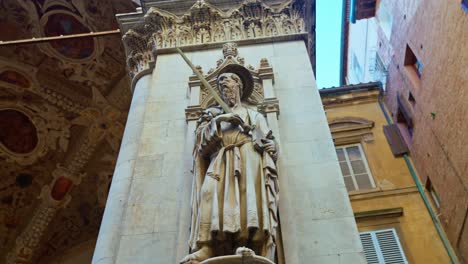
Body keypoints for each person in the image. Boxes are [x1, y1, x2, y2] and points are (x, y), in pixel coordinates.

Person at [181, 68, 279, 263]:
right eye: (220, 84)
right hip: (220, 159)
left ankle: (246, 244)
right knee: (209, 194)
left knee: (246, 199)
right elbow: (200, 145)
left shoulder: (253, 115)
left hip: (248, 157)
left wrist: (271, 147)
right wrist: (221, 119)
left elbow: (267, 140)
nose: (224, 85)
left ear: (239, 86)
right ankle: (207, 246)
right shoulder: (212, 115)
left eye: (228, 81)